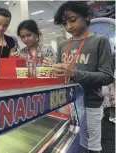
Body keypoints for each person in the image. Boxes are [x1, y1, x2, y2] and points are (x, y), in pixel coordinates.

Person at [52, 2, 114, 153]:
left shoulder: (99, 41)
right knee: (67, 142)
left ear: (87, 16)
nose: (69, 27)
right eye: (64, 23)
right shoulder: (63, 44)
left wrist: (74, 73)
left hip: (90, 103)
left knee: (90, 145)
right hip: (66, 103)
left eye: (72, 20)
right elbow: (61, 75)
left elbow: (107, 76)